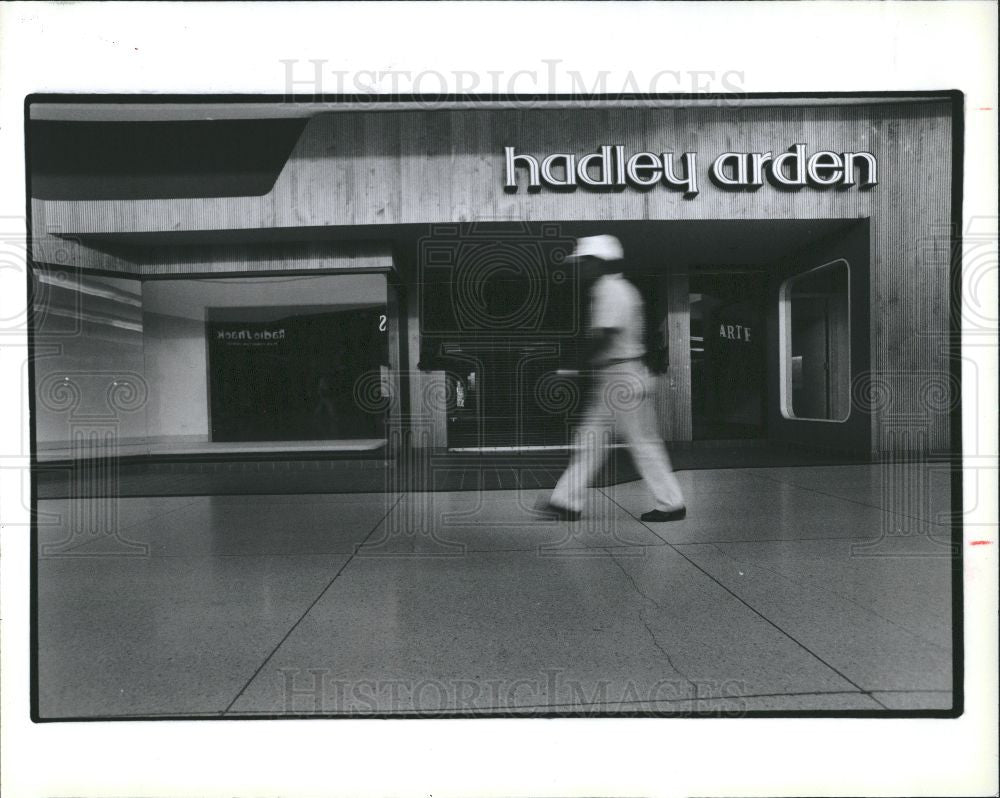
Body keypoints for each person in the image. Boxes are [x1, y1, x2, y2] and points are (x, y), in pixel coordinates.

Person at [539, 234, 686, 522]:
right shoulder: (612, 288)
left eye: (583, 263)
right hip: (615, 376)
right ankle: (565, 501)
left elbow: (603, 336)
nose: (579, 269)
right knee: (590, 440)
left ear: (598, 262)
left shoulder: (612, 290)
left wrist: (569, 369)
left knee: (642, 443)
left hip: (622, 377)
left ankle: (672, 503)